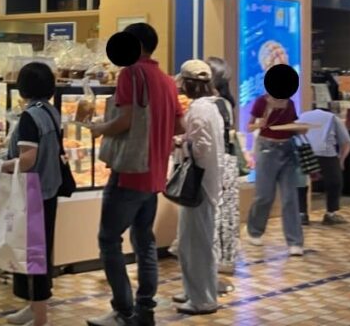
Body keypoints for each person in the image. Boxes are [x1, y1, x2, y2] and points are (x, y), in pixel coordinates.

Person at [88, 23, 183, 326]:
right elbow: (179, 126)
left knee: (108, 239)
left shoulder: (130, 73)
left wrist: (100, 128)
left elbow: (126, 119)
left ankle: (123, 310)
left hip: (129, 172)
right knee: (145, 241)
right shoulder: (167, 80)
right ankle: (145, 310)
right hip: (155, 174)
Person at [1, 63, 61, 326]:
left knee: (33, 255)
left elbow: (27, 159)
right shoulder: (50, 111)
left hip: (32, 192)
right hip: (48, 189)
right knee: (38, 253)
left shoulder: (29, 116)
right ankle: (34, 307)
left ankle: (40, 318)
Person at [171, 60, 223, 316]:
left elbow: (201, 148)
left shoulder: (200, 110)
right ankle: (193, 290)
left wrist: (180, 144)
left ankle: (203, 298)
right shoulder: (210, 107)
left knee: (196, 244)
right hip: (207, 182)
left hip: (199, 185)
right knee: (190, 242)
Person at [245, 81, 305, 257]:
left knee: (290, 197)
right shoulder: (261, 102)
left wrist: (300, 129)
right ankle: (254, 230)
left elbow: (292, 125)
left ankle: (295, 241)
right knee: (264, 196)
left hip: (288, 149)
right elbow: (249, 126)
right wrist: (260, 124)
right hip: (267, 148)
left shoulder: (290, 103)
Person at [207, 57, 244, 294]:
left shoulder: (214, 104)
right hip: (226, 165)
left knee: (216, 216)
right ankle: (217, 269)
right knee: (223, 215)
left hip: (218, 166)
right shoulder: (225, 103)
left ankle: (212, 275)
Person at [298, 107, 350, 224]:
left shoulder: (301, 116)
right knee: (334, 182)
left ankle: (301, 214)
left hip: (303, 152)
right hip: (327, 154)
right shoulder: (333, 118)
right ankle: (330, 213)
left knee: (301, 183)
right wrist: (341, 160)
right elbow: (346, 142)